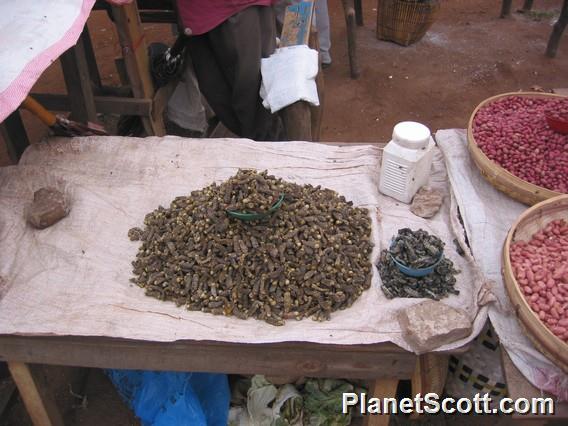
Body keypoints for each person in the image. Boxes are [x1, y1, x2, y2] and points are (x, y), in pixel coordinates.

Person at [175, 0, 283, 141]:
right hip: (196, 13)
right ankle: (260, 146)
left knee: (256, 98)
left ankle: (267, 148)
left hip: (238, 8)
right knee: (221, 95)